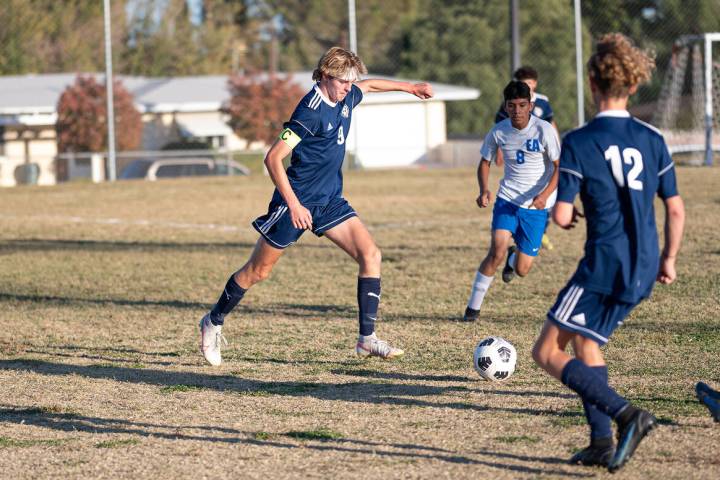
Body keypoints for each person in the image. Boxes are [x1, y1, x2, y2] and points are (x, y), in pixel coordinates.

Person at [198, 47, 434, 366]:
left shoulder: (346, 95)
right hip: (295, 201)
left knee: (371, 255)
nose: (349, 88)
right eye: (342, 82)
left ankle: (366, 339)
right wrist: (294, 205)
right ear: (325, 76)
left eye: (351, 82)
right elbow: (272, 158)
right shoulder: (309, 112)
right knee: (258, 271)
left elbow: (370, 86)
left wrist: (410, 88)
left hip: (329, 200)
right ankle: (213, 321)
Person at [531, 33, 685, 472]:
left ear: (592, 85)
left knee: (546, 352)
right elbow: (675, 209)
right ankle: (601, 442)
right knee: (587, 342)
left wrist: (568, 213)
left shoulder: (580, 141)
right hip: (643, 268)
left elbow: (561, 214)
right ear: (633, 87)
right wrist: (669, 260)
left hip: (603, 266)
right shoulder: (653, 138)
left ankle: (627, 415)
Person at [462, 80, 560, 322]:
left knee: (522, 270)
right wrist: (484, 190)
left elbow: (560, 167)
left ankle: (514, 255)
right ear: (505, 107)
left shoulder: (544, 130)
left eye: (522, 105)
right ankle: (472, 309)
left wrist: (545, 195)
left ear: (531, 105)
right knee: (496, 251)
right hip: (507, 199)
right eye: (512, 105)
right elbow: (484, 162)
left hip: (536, 206)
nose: (517, 110)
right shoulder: (499, 131)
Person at [495, 66, 558, 250]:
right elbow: (500, 128)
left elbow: (552, 123)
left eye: (529, 83)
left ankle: (541, 232)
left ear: (535, 84)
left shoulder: (543, 102)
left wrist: (556, 141)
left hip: (543, 153)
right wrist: (499, 151)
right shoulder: (511, 102)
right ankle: (517, 232)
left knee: (545, 193)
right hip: (520, 156)